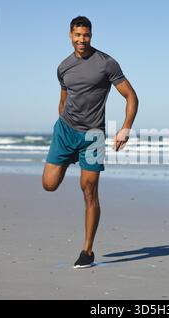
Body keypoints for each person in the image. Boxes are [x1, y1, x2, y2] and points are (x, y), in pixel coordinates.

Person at [42, 16, 138, 269]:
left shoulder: (106, 63)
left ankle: (87, 250)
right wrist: (64, 125)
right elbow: (63, 99)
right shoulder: (63, 67)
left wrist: (125, 128)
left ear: (91, 35)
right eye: (77, 35)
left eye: (86, 35)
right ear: (70, 35)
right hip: (65, 131)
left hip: (93, 136)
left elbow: (131, 97)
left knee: (89, 190)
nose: (81, 40)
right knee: (49, 185)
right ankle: (70, 158)